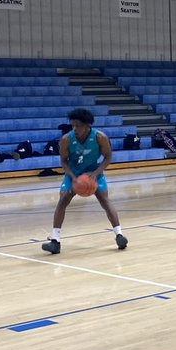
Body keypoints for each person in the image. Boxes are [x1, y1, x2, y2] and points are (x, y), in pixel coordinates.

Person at [41, 107, 127, 255]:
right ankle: (55, 241)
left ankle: (119, 235)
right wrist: (73, 177)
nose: (74, 129)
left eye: (78, 126)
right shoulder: (66, 139)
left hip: (94, 172)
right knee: (63, 199)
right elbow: (63, 161)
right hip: (73, 173)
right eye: (72, 125)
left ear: (88, 125)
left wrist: (95, 173)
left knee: (104, 200)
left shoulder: (100, 137)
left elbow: (108, 157)